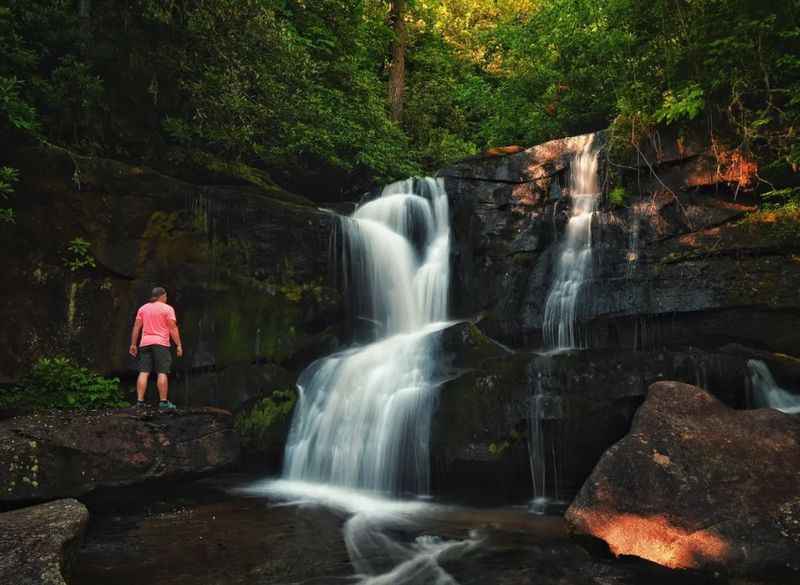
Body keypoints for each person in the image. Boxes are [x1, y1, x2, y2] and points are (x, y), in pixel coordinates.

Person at [129, 286, 183, 410]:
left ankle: (140, 402)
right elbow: (172, 328)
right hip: (161, 343)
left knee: (144, 372)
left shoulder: (143, 308)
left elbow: (136, 327)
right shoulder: (168, 309)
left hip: (145, 343)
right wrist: (178, 344)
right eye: (166, 296)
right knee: (162, 372)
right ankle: (163, 403)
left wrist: (133, 344)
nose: (166, 298)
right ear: (162, 296)